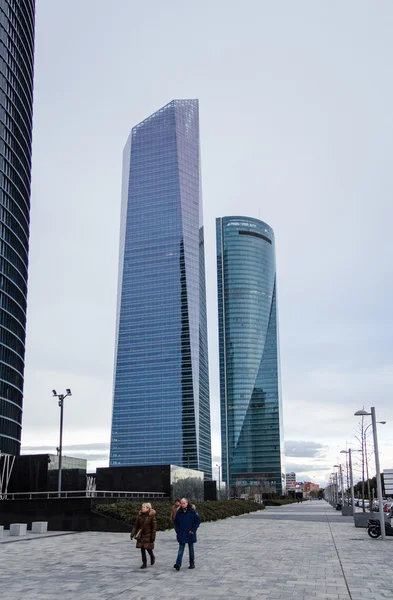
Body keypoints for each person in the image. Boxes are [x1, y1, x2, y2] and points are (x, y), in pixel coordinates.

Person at [173, 497, 200, 570]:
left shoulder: (192, 511)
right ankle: (178, 564)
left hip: (190, 533)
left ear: (187, 503)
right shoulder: (179, 512)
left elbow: (197, 521)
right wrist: (177, 531)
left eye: (184, 503)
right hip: (182, 533)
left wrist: (193, 529)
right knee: (181, 548)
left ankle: (192, 563)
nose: (182, 505)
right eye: (181, 503)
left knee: (191, 549)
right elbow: (175, 522)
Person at [130, 502, 156, 569]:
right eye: (142, 507)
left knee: (148, 548)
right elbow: (136, 526)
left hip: (148, 535)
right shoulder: (139, 516)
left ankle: (152, 556)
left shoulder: (151, 517)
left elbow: (154, 528)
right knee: (142, 549)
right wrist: (132, 534)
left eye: (144, 507)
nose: (142, 508)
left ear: (148, 508)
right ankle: (144, 563)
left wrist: (153, 536)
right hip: (141, 535)